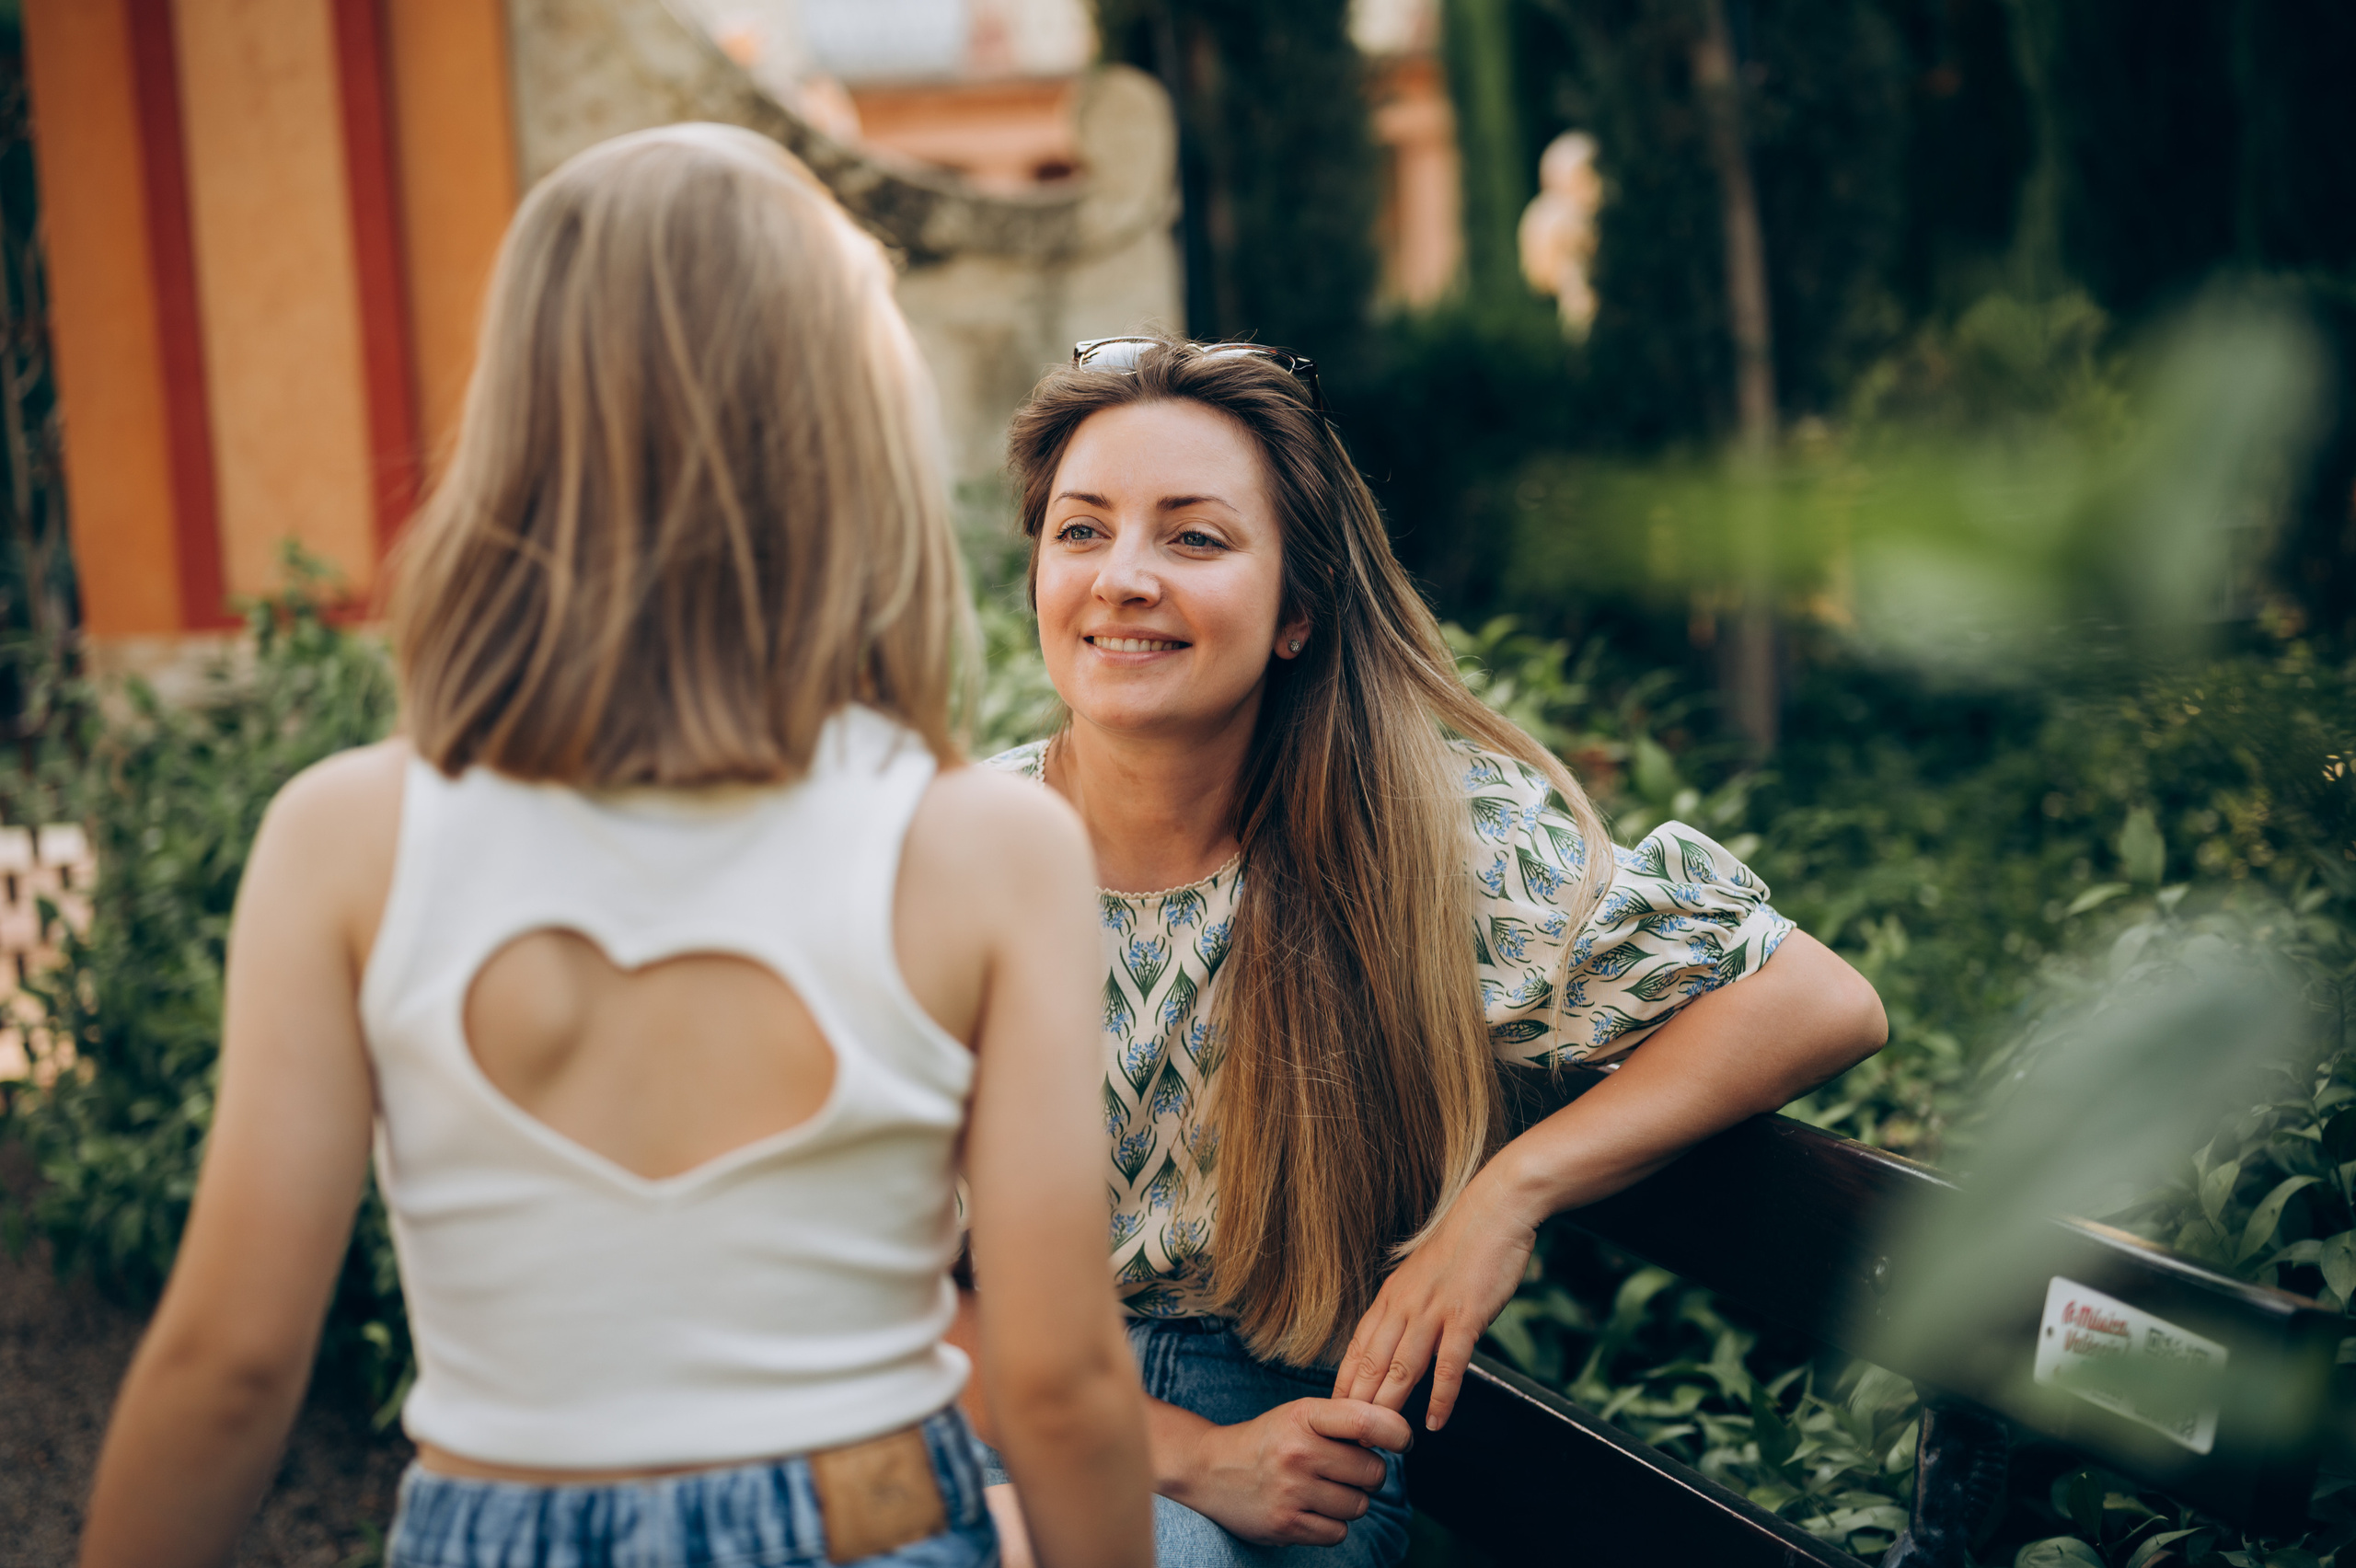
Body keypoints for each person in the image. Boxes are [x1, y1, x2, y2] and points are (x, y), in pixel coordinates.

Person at [75, 126, 1152, 1568]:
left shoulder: (346, 838)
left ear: (522, 421)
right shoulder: (987, 848)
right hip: (870, 1525)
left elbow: (226, 1371)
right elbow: (1063, 1385)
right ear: (850, 435)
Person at [964, 336, 1888, 1568]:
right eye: (1082, 530)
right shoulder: (944, 854)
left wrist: (1514, 1193)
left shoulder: (1419, 844)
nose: (1122, 576)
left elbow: (1816, 1000)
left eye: (1193, 537)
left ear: (1296, 610)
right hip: (982, 1401)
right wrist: (1182, 1458)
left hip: (1285, 1427)